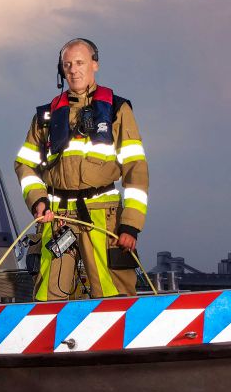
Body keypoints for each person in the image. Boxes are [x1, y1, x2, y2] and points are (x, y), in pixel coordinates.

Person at [14, 37, 149, 298]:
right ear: (61, 70)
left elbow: (136, 168)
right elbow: (24, 164)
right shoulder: (46, 117)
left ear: (94, 65)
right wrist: (38, 201)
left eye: (79, 63)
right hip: (57, 218)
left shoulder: (116, 110)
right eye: (67, 65)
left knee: (111, 295)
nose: (73, 70)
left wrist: (130, 225)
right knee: (47, 296)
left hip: (102, 217)